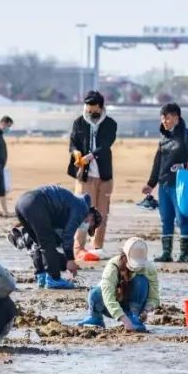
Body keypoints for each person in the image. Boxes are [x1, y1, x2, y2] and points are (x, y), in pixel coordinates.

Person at [141, 103, 188, 263]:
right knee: (166, 219)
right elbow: (158, 163)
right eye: (162, 118)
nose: (164, 121)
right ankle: (166, 253)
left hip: (181, 185)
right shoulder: (163, 139)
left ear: (176, 118)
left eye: (167, 118)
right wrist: (151, 184)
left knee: (182, 218)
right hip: (164, 186)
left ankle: (184, 254)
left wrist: (184, 166)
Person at [12, 185, 101, 289]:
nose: (86, 224)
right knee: (47, 243)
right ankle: (53, 279)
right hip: (36, 203)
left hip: (22, 203)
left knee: (39, 243)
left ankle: (41, 276)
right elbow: (68, 236)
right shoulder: (81, 208)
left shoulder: (70, 207)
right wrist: (70, 259)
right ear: (91, 216)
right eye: (90, 224)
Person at [68, 91, 117, 261]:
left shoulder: (110, 124)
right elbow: (73, 142)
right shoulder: (79, 122)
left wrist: (90, 156)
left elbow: (105, 145)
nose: (90, 111)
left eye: (93, 108)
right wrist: (76, 153)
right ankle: (78, 248)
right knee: (83, 211)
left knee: (102, 213)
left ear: (100, 107)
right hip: (84, 176)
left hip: (104, 176)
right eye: (88, 108)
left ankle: (97, 247)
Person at [76, 237, 160, 332]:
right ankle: (95, 317)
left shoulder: (149, 268)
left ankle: (134, 316)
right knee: (95, 292)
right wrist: (124, 320)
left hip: (135, 304)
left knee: (141, 281)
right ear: (125, 256)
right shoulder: (113, 266)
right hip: (111, 305)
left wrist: (146, 311)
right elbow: (108, 297)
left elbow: (154, 298)